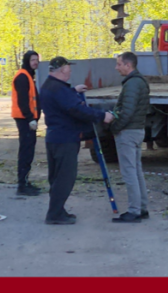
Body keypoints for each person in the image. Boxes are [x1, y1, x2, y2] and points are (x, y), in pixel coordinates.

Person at [40, 56, 114, 225]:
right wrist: (102, 116)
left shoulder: (49, 86)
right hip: (65, 138)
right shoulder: (59, 89)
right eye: (68, 69)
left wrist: (73, 91)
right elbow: (76, 109)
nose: (70, 72)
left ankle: (57, 210)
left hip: (54, 137)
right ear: (63, 70)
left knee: (57, 177)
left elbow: (63, 101)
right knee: (65, 177)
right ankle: (55, 214)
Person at [109, 51, 151, 223]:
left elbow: (126, 112)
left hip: (128, 132)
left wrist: (114, 127)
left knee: (129, 172)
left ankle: (134, 211)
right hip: (137, 130)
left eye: (119, 64)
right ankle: (141, 207)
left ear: (128, 65)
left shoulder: (132, 84)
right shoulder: (138, 82)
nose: (116, 67)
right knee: (136, 170)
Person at [12, 51, 41, 197]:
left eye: (37, 60)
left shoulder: (28, 75)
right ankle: (22, 184)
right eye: (33, 60)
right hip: (25, 120)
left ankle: (24, 182)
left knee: (28, 151)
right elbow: (22, 101)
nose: (35, 62)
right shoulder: (23, 77)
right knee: (26, 151)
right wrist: (30, 119)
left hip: (28, 120)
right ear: (26, 61)